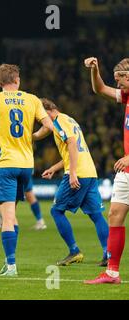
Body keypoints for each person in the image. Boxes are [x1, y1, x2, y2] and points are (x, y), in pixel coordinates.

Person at [0, 64, 53, 276]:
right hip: (26, 165)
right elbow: (49, 126)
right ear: (17, 79)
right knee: (14, 214)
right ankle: (8, 262)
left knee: (7, 217)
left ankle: (11, 266)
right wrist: (34, 136)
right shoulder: (32, 99)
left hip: (5, 164)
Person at [34, 98, 109, 267]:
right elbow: (72, 150)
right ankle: (107, 253)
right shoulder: (69, 119)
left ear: (47, 111)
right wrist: (55, 167)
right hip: (89, 172)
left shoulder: (59, 121)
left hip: (78, 173)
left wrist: (72, 173)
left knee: (56, 211)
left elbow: (72, 144)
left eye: (40, 116)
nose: (41, 120)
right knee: (96, 215)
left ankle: (74, 251)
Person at [84, 57, 129, 285]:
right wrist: (95, 70)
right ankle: (112, 273)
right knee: (114, 215)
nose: (117, 84)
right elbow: (99, 88)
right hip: (127, 171)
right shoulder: (127, 97)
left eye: (119, 80)